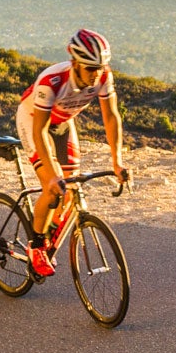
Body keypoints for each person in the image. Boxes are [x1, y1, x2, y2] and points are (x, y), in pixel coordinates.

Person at [15, 28, 130, 277]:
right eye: (90, 68)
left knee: (71, 188)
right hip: (34, 121)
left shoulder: (102, 76)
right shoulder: (52, 81)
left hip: (64, 122)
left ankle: (48, 228)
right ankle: (36, 246)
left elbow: (111, 117)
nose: (95, 74)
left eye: (99, 67)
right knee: (52, 184)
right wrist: (52, 176)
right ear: (75, 63)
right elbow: (41, 131)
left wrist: (117, 161)